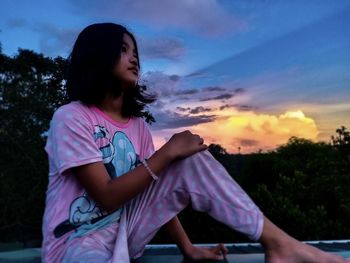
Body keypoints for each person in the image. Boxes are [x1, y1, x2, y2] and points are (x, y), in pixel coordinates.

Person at [41, 22, 348, 263]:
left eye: (135, 51)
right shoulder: (71, 118)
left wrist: (188, 248)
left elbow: (156, 189)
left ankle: (279, 244)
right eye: (122, 49)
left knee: (190, 159)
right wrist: (168, 152)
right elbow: (106, 197)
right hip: (76, 240)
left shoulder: (137, 127)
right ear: (97, 55)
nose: (134, 57)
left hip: (126, 232)